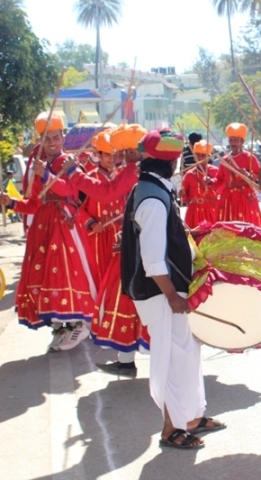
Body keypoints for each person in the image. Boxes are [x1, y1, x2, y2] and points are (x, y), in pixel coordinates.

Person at [120, 129, 225, 450]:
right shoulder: (152, 197)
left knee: (186, 355)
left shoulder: (155, 190)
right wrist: (172, 296)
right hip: (163, 293)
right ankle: (170, 428)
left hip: (173, 291)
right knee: (169, 359)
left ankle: (190, 417)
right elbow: (153, 259)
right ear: (175, 161)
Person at [1, 112, 99, 351]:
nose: (52, 143)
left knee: (67, 274)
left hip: (65, 226)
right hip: (42, 228)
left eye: (56, 138)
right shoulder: (37, 165)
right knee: (42, 275)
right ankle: (59, 326)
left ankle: (79, 322)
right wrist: (11, 202)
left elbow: (69, 191)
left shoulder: (68, 162)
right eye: (47, 139)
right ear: (40, 141)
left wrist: (45, 173)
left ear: (63, 137)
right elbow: (34, 203)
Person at [92, 123, 149, 377]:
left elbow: (107, 195)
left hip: (136, 246)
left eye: (125, 151)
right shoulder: (141, 169)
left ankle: (133, 360)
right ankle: (126, 360)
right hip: (133, 242)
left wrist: (73, 175)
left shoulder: (131, 171)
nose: (122, 157)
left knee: (128, 299)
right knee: (125, 300)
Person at [81, 132, 124, 275]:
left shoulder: (120, 177)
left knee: (118, 273)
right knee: (99, 273)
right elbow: (77, 208)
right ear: (98, 156)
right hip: (98, 234)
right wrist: (91, 223)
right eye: (107, 155)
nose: (111, 159)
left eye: (113, 155)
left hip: (118, 233)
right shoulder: (90, 178)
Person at [216, 123, 261, 225]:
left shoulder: (250, 158)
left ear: (242, 141)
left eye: (236, 140)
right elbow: (219, 179)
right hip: (228, 199)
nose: (233, 143)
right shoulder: (224, 160)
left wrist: (247, 174)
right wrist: (210, 182)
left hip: (245, 197)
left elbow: (259, 177)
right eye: (231, 140)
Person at [181, 140, 221, 229]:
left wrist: (211, 182)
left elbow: (221, 188)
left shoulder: (215, 171)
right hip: (194, 210)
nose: (200, 158)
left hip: (211, 209)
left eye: (203, 155)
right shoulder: (189, 174)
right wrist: (182, 194)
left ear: (209, 157)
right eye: (197, 155)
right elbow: (185, 197)